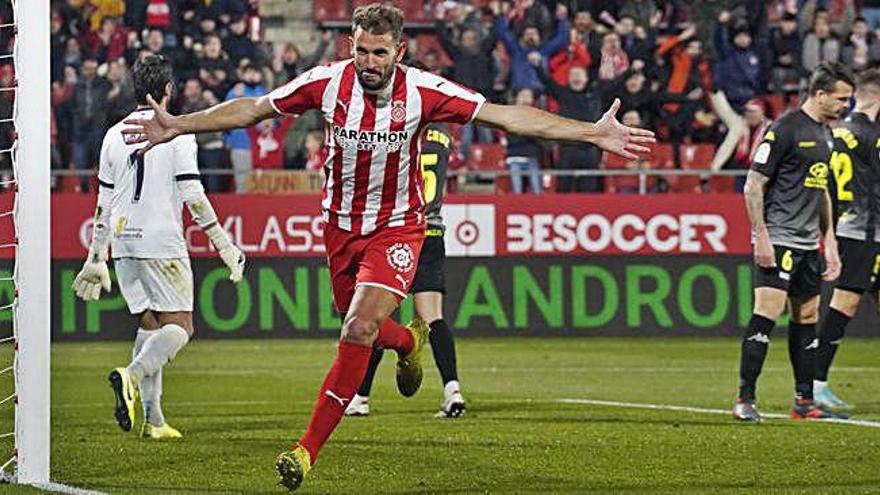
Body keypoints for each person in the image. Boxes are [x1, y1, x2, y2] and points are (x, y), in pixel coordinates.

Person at [121, 4, 653, 490]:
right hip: (339, 230)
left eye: (379, 52)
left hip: (398, 229)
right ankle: (407, 344)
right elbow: (254, 109)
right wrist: (178, 125)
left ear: (399, 51)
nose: (369, 61)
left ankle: (305, 451)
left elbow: (508, 115)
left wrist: (589, 133)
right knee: (365, 328)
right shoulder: (327, 84)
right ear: (349, 46)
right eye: (360, 50)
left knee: (356, 327)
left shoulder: (424, 91)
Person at [71, 55, 245, 439]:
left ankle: (154, 420)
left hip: (123, 241)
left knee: (150, 325)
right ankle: (131, 375)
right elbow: (194, 195)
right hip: (161, 240)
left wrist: (96, 256)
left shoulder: (113, 134)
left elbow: (103, 202)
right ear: (168, 89)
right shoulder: (179, 132)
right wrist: (225, 245)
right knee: (181, 326)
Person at [733, 61, 852, 423]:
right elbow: (753, 185)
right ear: (819, 94)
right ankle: (745, 400)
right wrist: (762, 237)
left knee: (806, 318)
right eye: (840, 98)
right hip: (780, 240)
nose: (845, 105)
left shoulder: (827, 134)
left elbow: (822, 190)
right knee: (766, 315)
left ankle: (803, 401)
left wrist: (829, 239)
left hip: (807, 245)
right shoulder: (784, 129)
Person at [345, 123, 466, 418]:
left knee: (375, 316)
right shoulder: (443, 135)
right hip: (432, 231)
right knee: (433, 317)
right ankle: (453, 392)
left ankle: (360, 397)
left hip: (398, 232)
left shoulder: (400, 127)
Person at [814, 68, 880, 410]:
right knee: (844, 304)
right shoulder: (871, 134)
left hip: (854, 227)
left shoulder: (838, 132)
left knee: (848, 303)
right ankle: (815, 382)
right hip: (865, 230)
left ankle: (816, 382)